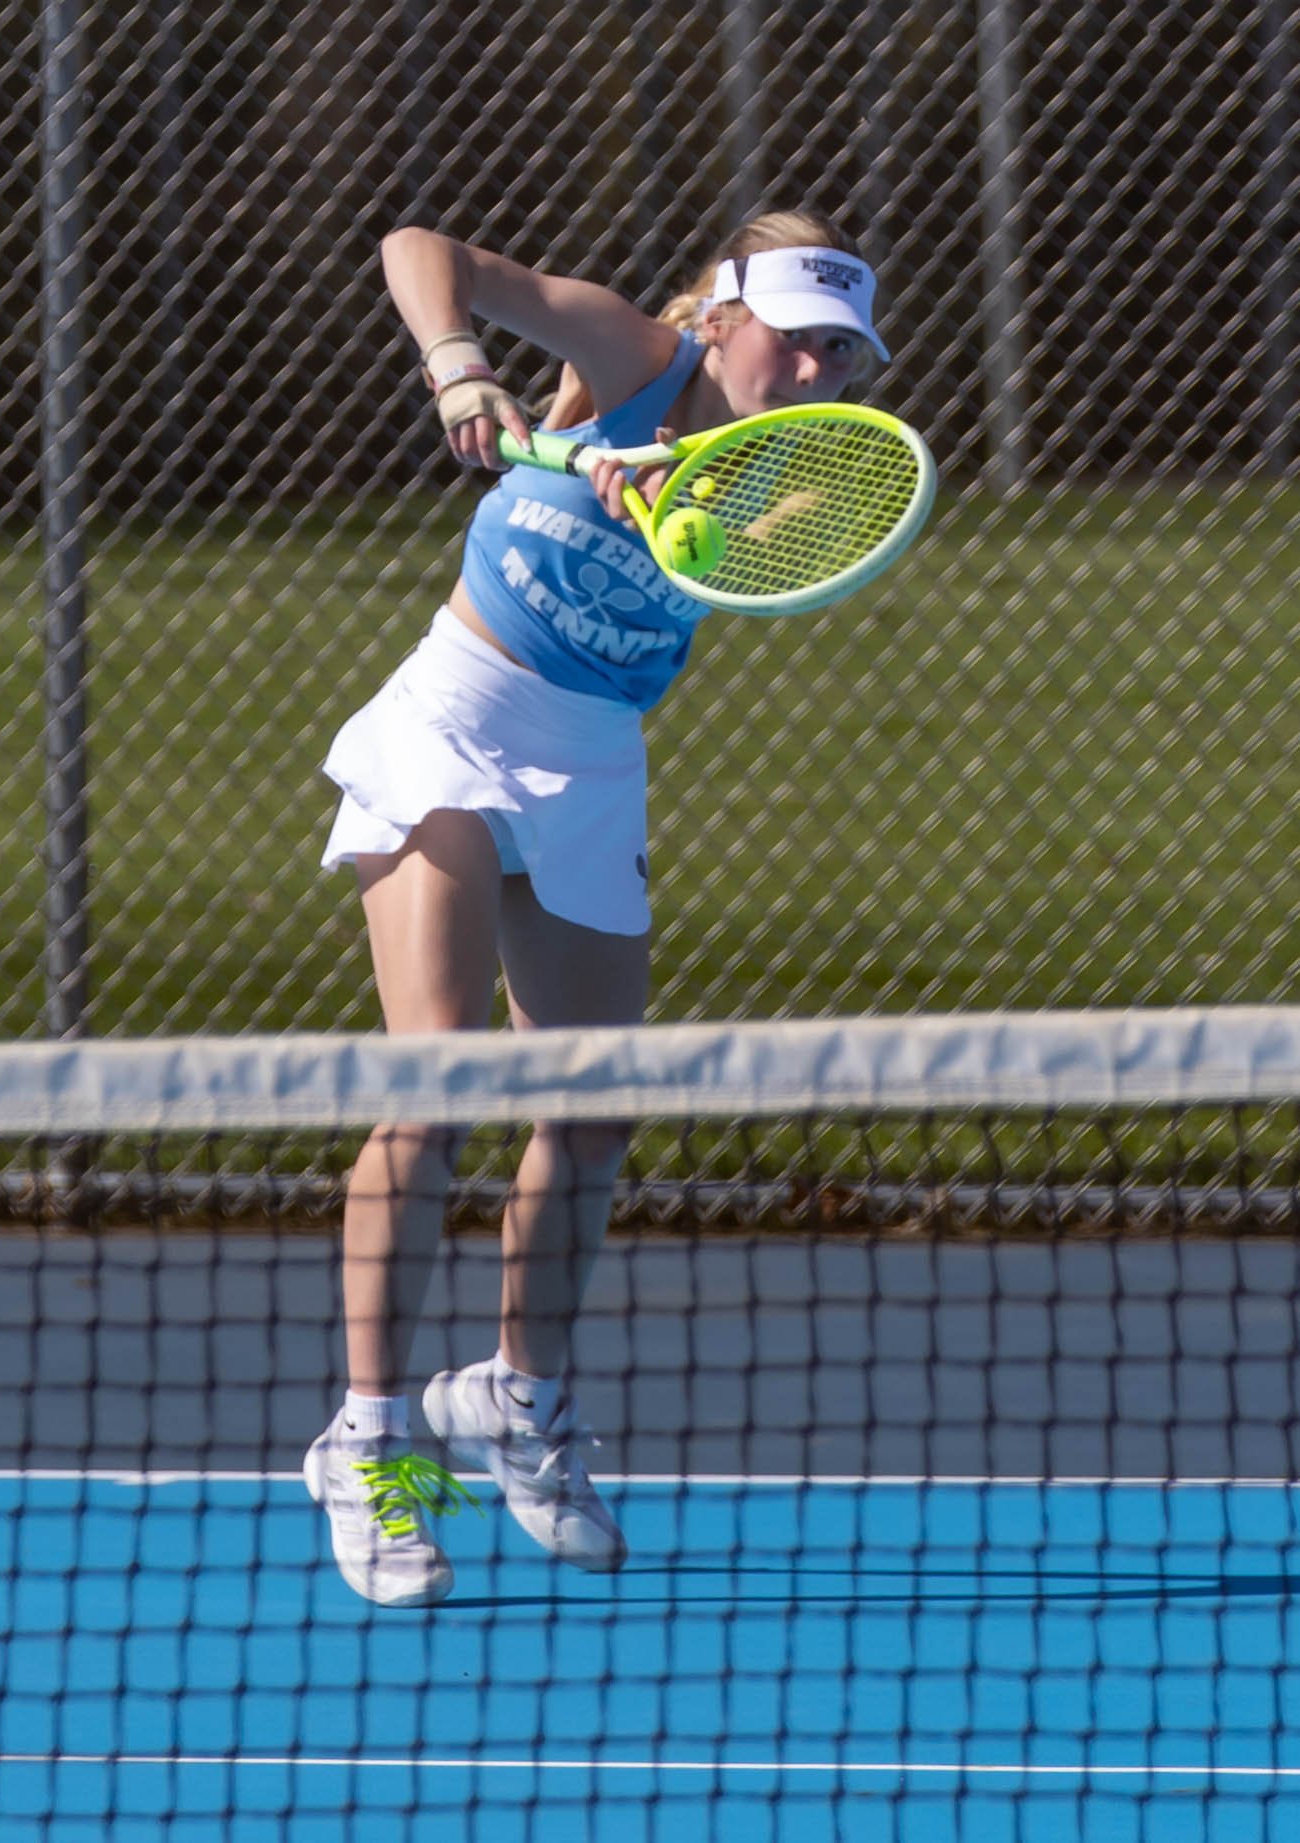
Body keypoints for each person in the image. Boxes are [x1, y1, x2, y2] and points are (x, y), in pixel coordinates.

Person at [304, 209, 889, 1606]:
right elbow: (413, 245)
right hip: (456, 718)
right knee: (435, 1086)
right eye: (795, 340)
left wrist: (681, 497)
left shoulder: (799, 469)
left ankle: (515, 1400)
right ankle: (371, 1440)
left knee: (590, 1113)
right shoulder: (625, 349)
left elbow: (738, 545)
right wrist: (461, 370)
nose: (813, 373)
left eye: (839, 355)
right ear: (718, 320)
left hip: (592, 765)